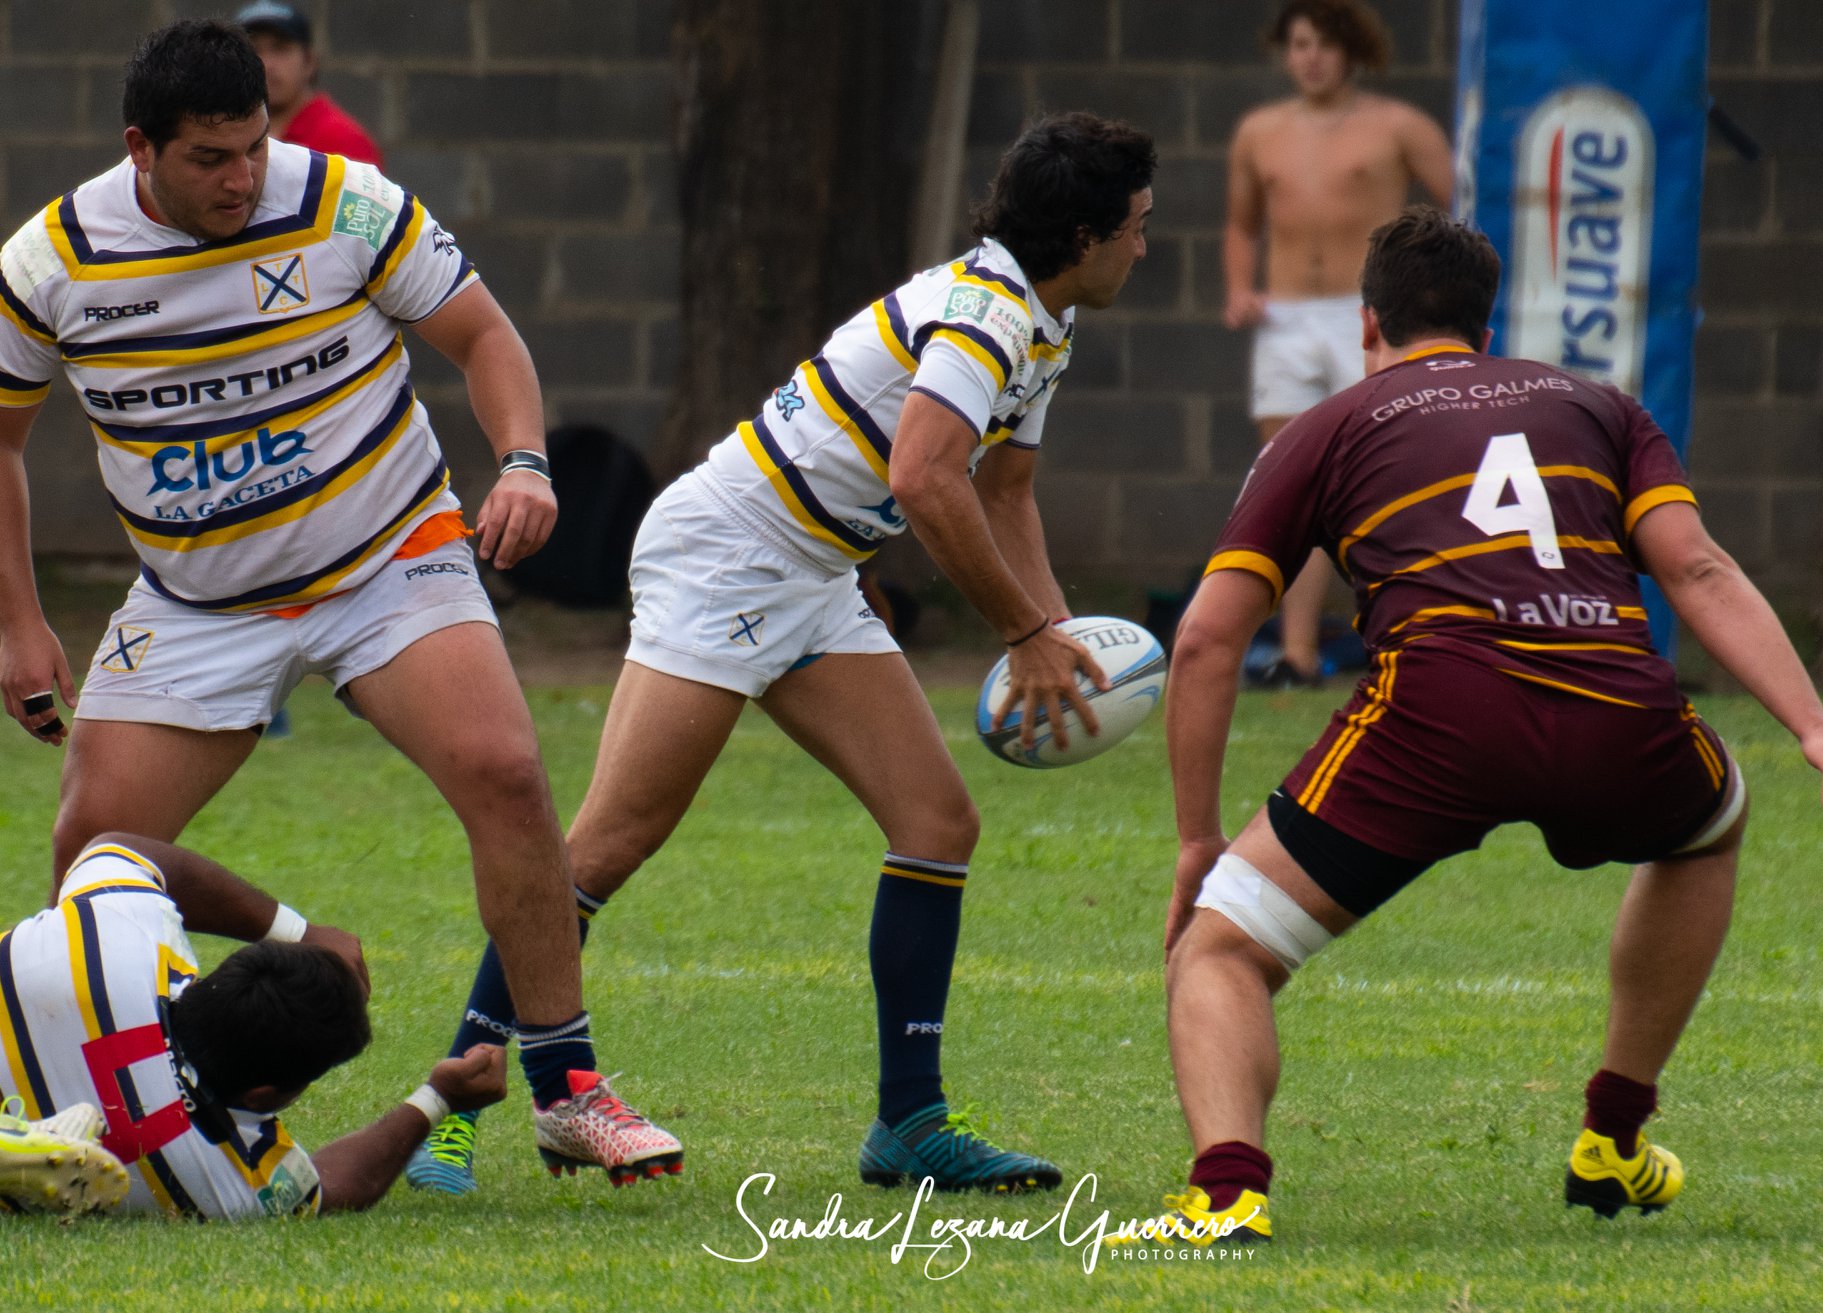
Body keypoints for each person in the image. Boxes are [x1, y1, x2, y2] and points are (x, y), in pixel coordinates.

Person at [1115, 207, 1823, 1247]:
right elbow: (1695, 566)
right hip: (1614, 704)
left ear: (1368, 326)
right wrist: (1812, 725)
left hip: (1436, 717)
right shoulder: (1598, 406)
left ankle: (1226, 1194)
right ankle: (1613, 1137)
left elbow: (1209, 641)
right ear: (1487, 332)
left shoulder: (1328, 426)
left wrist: (1194, 840)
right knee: (1707, 824)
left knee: (1220, 948)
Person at [403, 112, 1157, 1196]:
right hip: (729, 556)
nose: (1145, 247)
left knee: (937, 821)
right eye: (1134, 228)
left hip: (810, 571)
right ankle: (452, 1113)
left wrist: (1063, 640)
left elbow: (1005, 490)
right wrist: (1026, 635)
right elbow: (924, 477)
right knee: (607, 843)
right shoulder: (986, 315)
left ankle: (911, 1123)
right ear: (1081, 235)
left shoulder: (1041, 318)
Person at [0, 20, 675, 1183]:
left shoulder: (346, 204)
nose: (241, 177)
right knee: (92, 847)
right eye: (209, 157)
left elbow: (485, 335)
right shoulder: (52, 260)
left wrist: (520, 459)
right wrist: (17, 619)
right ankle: (83, 1105)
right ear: (139, 149)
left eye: (253, 146)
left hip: (385, 558)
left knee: (506, 771)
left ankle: (568, 1084)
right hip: (199, 596)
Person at [0, 834, 507, 1218]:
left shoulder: (120, 925)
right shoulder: (230, 1170)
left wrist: (297, 929)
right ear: (267, 1093)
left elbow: (116, 845)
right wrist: (437, 1098)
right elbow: (333, 1184)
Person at [1223, 0, 1452, 686]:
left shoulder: (1398, 126)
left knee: (1383, 475)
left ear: (1352, 50)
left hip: (1368, 315)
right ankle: (1296, 652)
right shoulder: (1258, 131)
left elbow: (1463, 206)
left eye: (1323, 44)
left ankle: (1409, 639)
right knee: (1285, 479)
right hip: (1286, 319)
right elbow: (1240, 225)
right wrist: (1239, 288)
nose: (1310, 57)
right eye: (1298, 44)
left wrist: (1430, 295)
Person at [237, 2, 383, 168]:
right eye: (253, 50)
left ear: (310, 61)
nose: (266, 63)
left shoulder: (344, 141)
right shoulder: (225, 136)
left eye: (280, 49)